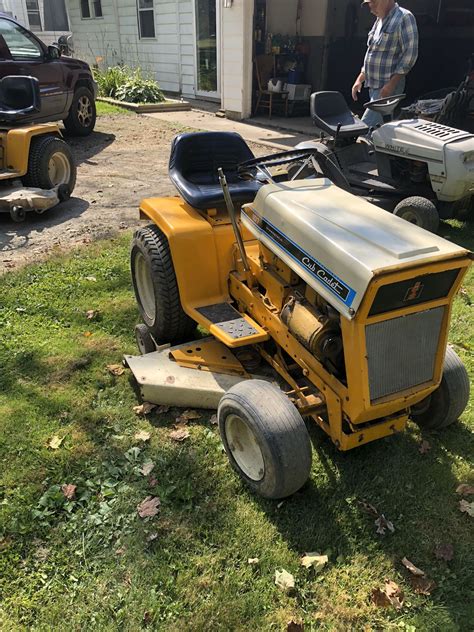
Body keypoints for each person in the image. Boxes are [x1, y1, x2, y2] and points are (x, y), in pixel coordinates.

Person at [352, 0, 418, 129]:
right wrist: (360, 79)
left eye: (374, 4)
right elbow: (372, 52)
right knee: (381, 128)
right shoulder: (379, 21)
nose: (371, 10)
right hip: (374, 86)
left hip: (388, 85)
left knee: (366, 128)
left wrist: (391, 84)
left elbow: (410, 54)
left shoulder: (404, 17)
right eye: (369, 6)